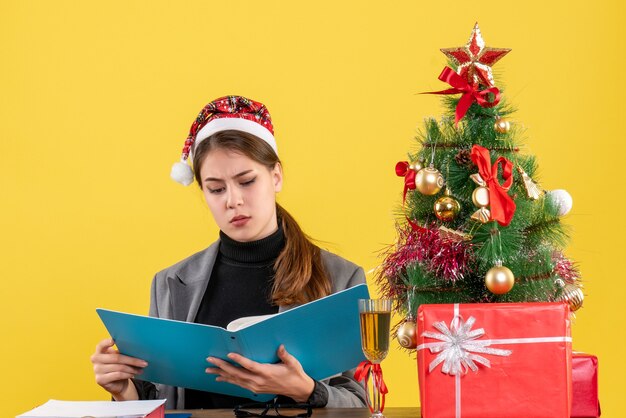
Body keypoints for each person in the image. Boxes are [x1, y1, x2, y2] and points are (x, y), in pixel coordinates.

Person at [90, 96, 368, 410]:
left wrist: (307, 391)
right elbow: (161, 400)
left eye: (246, 181)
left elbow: (360, 404)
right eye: (216, 188)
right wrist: (123, 390)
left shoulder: (341, 279)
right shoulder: (169, 283)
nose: (232, 201)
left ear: (275, 176)